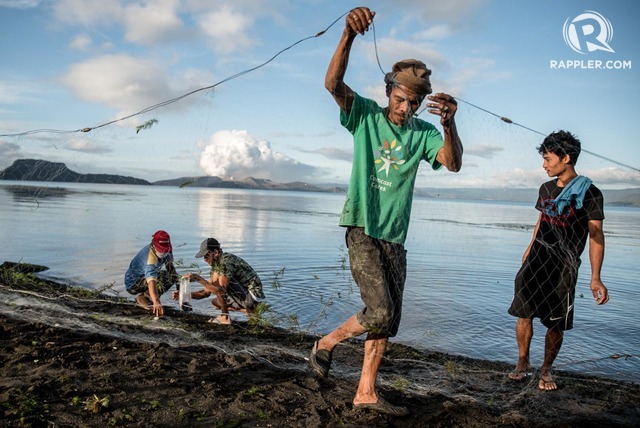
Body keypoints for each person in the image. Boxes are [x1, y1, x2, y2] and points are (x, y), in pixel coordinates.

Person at [308, 6, 463, 417]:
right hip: (362, 225)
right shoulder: (364, 117)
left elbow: (452, 162)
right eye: (399, 99)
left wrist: (449, 124)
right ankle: (325, 343)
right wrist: (348, 35)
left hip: (395, 234)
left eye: (412, 103)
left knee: (387, 323)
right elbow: (332, 82)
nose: (404, 109)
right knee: (379, 311)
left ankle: (365, 391)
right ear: (388, 91)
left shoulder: (424, 133)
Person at [508, 130, 609, 391]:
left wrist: (595, 277)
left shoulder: (590, 193)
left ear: (565, 158)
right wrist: (528, 249)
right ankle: (522, 362)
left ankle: (546, 368)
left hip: (564, 264)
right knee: (523, 311)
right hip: (537, 258)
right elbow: (541, 220)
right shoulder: (546, 188)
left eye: (548, 159)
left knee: (556, 321)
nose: (544, 164)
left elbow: (596, 235)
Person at [174, 238, 265, 325]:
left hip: (252, 297)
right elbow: (206, 292)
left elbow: (221, 291)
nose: (205, 260)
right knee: (215, 303)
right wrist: (184, 295)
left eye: (206, 256)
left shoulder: (225, 262)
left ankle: (225, 317)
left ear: (215, 252)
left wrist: (198, 278)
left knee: (221, 290)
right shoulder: (215, 268)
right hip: (245, 297)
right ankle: (251, 311)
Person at [124, 230, 178, 317]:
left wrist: (179, 287)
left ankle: (149, 298)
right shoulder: (149, 260)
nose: (163, 253)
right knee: (159, 279)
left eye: (165, 251)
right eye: (161, 250)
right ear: (153, 245)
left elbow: (170, 268)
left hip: (145, 278)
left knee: (169, 277)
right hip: (134, 284)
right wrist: (157, 301)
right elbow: (151, 282)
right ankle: (142, 298)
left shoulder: (168, 250)